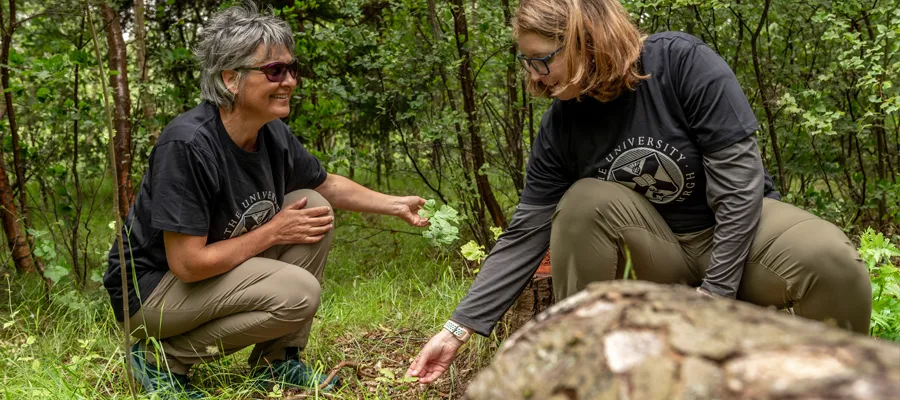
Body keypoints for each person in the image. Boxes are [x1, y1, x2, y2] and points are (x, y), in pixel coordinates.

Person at [406, 0, 872, 384]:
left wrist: (715, 298)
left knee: (827, 256)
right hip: (654, 255)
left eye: (542, 60)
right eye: (527, 62)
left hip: (736, 238)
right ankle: (587, 376)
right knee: (584, 200)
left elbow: (740, 189)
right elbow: (524, 235)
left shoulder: (682, 63)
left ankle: (835, 386)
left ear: (587, 41)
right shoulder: (561, 126)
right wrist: (457, 329)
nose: (534, 77)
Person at [102, 3, 428, 396]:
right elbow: (187, 264)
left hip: (203, 277)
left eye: (292, 69)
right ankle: (161, 359)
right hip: (151, 294)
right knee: (298, 292)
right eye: (275, 71)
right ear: (231, 79)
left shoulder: (270, 132)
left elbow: (326, 185)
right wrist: (274, 231)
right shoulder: (188, 144)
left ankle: (277, 362)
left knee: (312, 205)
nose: (289, 80)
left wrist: (395, 205)